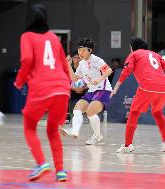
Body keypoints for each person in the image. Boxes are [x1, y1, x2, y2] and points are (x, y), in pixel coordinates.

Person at [14, 4, 70, 182]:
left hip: (41, 88)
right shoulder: (54, 38)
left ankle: (41, 164)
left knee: (29, 127)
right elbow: (64, 65)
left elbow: (27, 59)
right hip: (62, 88)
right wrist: (66, 85)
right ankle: (60, 171)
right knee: (53, 130)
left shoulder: (27, 36)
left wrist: (20, 81)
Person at [111, 37, 165, 153]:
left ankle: (127, 145)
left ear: (133, 47)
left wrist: (116, 86)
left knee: (133, 113)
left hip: (147, 86)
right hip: (163, 88)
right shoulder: (155, 55)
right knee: (157, 113)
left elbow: (127, 69)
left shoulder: (135, 54)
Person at [60, 38, 113, 145]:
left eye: (83, 50)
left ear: (90, 50)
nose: (80, 53)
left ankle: (97, 136)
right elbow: (75, 79)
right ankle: (74, 131)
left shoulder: (97, 60)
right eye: (79, 50)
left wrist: (99, 79)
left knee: (90, 111)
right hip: (91, 91)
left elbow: (108, 70)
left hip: (103, 90)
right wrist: (68, 66)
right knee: (77, 109)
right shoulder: (82, 63)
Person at [66, 50, 88, 122]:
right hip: (72, 90)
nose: (77, 59)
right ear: (72, 59)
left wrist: (85, 88)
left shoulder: (85, 68)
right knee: (66, 92)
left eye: (78, 57)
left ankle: (87, 114)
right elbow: (66, 82)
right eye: (75, 57)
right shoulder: (69, 69)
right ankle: (68, 115)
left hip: (83, 90)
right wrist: (74, 88)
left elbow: (90, 81)